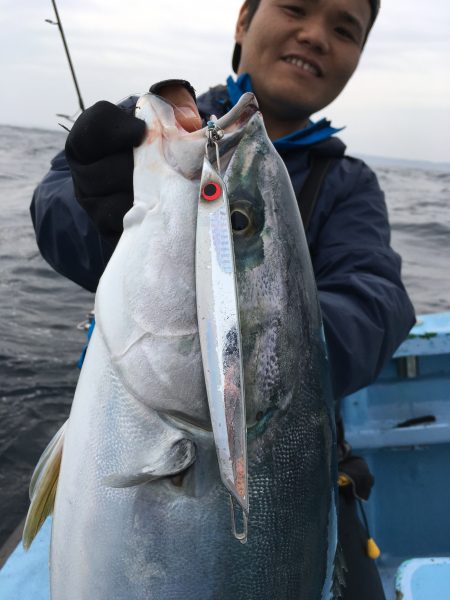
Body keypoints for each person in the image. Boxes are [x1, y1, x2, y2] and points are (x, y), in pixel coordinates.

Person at [30, 0, 415, 598]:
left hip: (292, 476)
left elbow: (378, 302)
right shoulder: (150, 133)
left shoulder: (349, 184)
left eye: (345, 30)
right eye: (296, 7)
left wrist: (268, 351)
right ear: (242, 22)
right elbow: (53, 209)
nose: (315, 36)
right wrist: (96, 209)